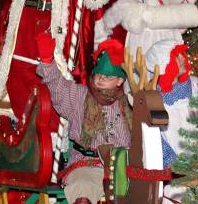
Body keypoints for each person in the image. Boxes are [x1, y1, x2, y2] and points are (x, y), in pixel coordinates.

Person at [36, 38, 131, 204]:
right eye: (98, 74)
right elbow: (59, 88)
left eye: (107, 76)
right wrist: (47, 61)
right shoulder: (81, 95)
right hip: (86, 165)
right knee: (83, 187)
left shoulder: (129, 102)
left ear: (120, 80)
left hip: (122, 167)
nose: (100, 79)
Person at [145, 39, 198, 204]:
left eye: (182, 54)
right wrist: (181, 173)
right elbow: (158, 145)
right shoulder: (153, 101)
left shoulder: (195, 87)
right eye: (177, 57)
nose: (183, 58)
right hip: (174, 175)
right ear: (163, 65)